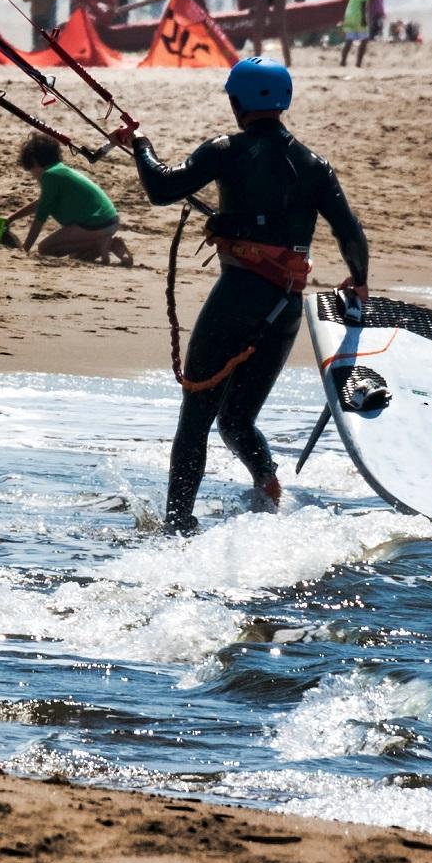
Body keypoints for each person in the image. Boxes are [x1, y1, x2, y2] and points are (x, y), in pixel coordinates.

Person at [117, 58, 369, 536]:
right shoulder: (315, 166)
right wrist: (359, 280)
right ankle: (268, 488)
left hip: (237, 297)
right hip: (286, 308)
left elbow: (161, 188)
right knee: (235, 420)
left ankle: (178, 527)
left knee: (197, 417)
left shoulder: (225, 150)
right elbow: (349, 231)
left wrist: (140, 145)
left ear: (238, 102)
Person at [8, 134, 131, 264]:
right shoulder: (59, 170)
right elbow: (41, 204)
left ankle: (105, 242)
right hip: (109, 221)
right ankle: (110, 245)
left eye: (31, 170)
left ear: (34, 162)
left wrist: (25, 249)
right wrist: (12, 218)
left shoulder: (50, 176)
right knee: (76, 257)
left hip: (95, 224)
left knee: (45, 248)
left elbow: (40, 219)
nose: (33, 176)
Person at [338, 0, 376, 67]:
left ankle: (343, 61)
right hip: (359, 16)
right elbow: (363, 5)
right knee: (364, 39)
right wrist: (364, 19)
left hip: (350, 15)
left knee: (349, 40)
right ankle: (358, 63)